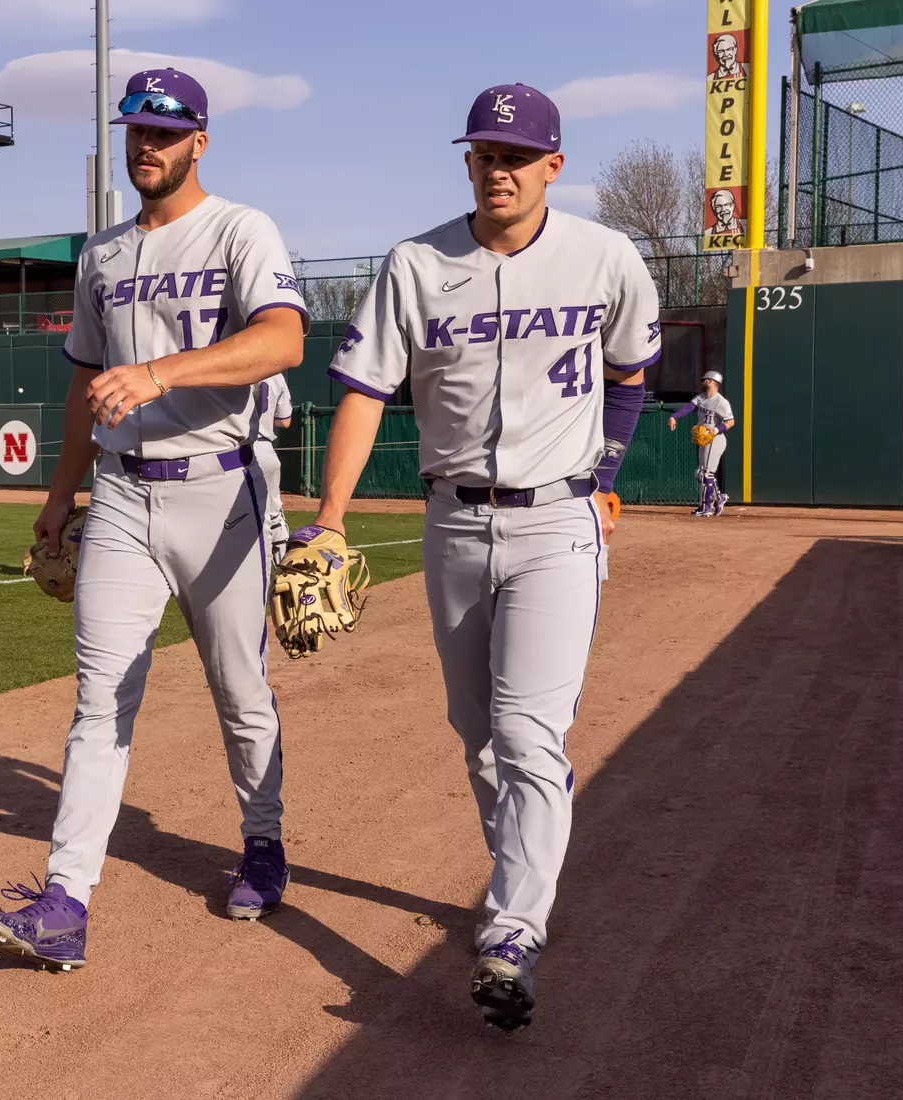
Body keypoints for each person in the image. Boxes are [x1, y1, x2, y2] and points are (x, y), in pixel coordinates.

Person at [308, 83, 659, 1030]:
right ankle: (520, 868)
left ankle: (511, 933)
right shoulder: (415, 264)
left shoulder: (606, 256)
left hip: (558, 524)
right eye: (482, 154)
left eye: (515, 155)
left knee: (526, 732)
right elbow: (363, 391)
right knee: (478, 735)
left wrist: (610, 466)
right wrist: (330, 517)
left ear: (552, 165)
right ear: (466, 162)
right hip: (452, 525)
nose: (496, 169)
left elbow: (630, 374)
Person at [0, 67, 309, 971]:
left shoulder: (240, 229)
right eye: (135, 130)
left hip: (222, 490)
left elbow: (283, 339)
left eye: (164, 132)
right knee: (98, 703)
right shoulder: (102, 255)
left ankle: (264, 841)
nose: (145, 146)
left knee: (238, 692)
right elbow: (85, 382)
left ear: (200, 141)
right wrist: (58, 493)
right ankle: (65, 902)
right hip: (121, 495)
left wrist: (162, 373)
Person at [668, 370, 736, 516]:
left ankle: (706, 507)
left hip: (715, 439)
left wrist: (716, 430)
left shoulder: (721, 402)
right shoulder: (701, 398)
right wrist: (674, 417)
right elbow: (689, 407)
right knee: (701, 474)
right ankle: (718, 498)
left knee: (706, 473)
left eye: (705, 379)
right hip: (704, 439)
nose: (702, 381)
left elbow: (731, 421)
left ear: (712, 381)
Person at [254, 371, 294, 564]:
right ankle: (284, 568)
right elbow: (285, 421)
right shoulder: (276, 374)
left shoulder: (231, 363)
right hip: (265, 449)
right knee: (274, 514)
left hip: (234, 451)